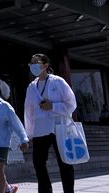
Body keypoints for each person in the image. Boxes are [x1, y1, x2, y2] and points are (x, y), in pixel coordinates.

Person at [24, 53, 77, 193]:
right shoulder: (31, 87)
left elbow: (71, 104)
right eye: (31, 63)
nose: (33, 65)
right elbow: (28, 111)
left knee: (65, 162)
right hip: (40, 129)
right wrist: (28, 134)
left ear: (45, 65)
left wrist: (53, 106)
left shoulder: (58, 81)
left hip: (59, 127)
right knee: (38, 163)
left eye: (36, 62)